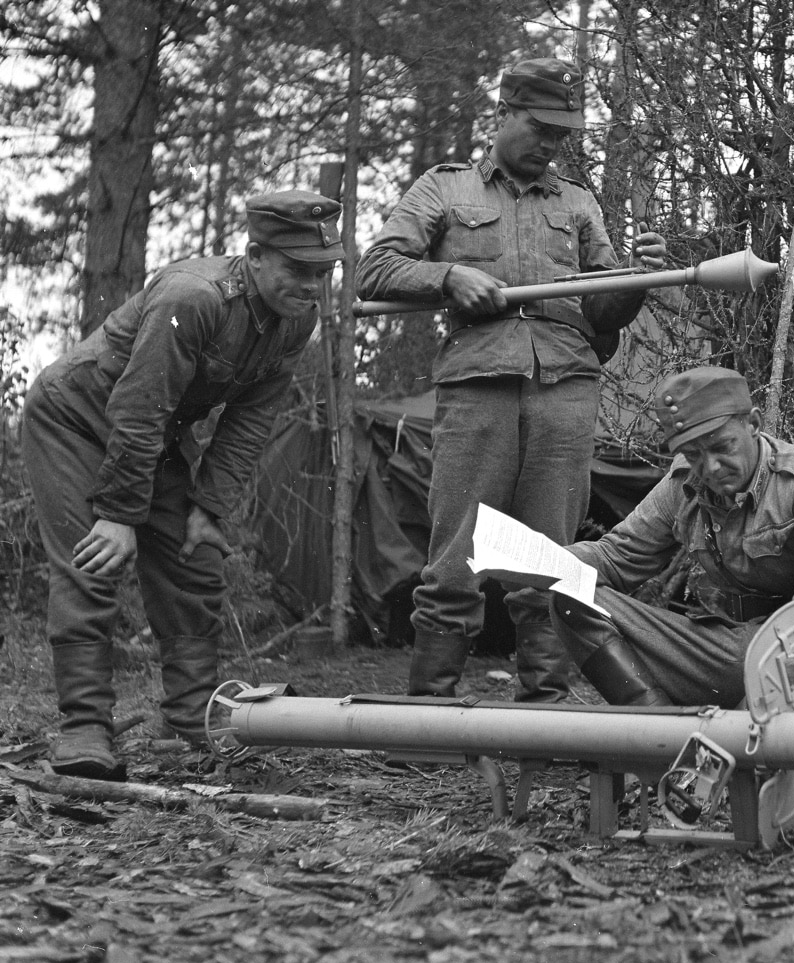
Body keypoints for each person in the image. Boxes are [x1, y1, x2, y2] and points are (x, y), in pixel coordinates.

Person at [355, 56, 668, 702]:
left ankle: (544, 712)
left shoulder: (580, 206)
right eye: (539, 125)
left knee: (551, 561)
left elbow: (602, 318)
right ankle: (429, 714)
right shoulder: (445, 190)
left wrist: (638, 277)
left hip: (565, 395)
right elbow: (375, 269)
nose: (551, 143)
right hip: (477, 392)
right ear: (502, 115)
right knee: (453, 559)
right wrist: (447, 277)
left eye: (561, 132)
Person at [22, 190, 346, 780]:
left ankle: (190, 712)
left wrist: (209, 506)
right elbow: (139, 404)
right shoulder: (191, 298)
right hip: (75, 418)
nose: (312, 285)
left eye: (323, 272)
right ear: (254, 255)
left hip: (151, 435)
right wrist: (118, 513)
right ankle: (84, 728)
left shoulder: (296, 320)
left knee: (194, 561)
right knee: (91, 562)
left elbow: (251, 419)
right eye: (299, 269)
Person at [506, 366, 794, 711]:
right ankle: (666, 744)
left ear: (754, 424)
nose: (710, 468)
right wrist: (538, 561)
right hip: (726, 653)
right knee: (571, 596)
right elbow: (615, 556)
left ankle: (747, 739)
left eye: (723, 447)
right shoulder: (682, 485)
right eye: (694, 455)